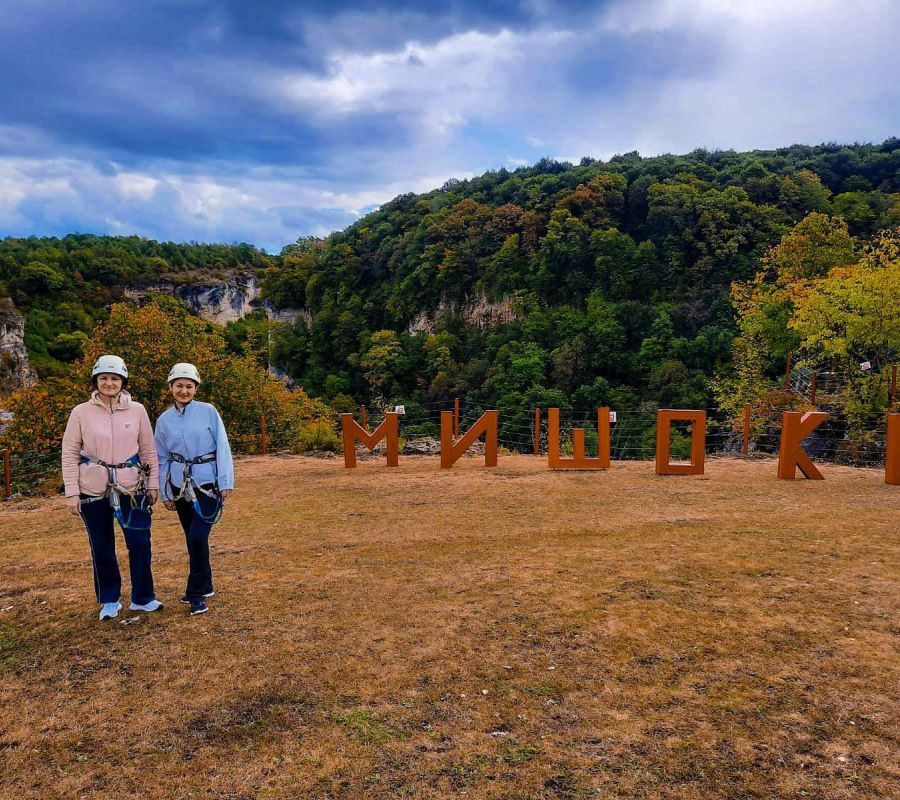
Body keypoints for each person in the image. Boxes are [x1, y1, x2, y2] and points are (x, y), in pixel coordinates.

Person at [61, 355, 162, 621]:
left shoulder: (137, 410)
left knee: (140, 542)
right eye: (104, 378)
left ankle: (143, 597)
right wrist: (72, 493)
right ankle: (109, 599)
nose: (109, 383)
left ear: (123, 382)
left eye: (114, 378)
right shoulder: (81, 412)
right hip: (92, 488)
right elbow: (69, 454)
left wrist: (152, 485)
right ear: (96, 381)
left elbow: (149, 451)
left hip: (132, 486)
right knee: (102, 546)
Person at [154, 363, 234, 616]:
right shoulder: (164, 420)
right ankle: (206, 583)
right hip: (180, 487)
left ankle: (195, 593)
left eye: (189, 386)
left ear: (196, 388)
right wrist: (165, 492)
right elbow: (161, 457)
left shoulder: (208, 412)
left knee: (198, 537)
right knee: (193, 539)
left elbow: (222, 444)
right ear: (170, 388)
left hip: (207, 484)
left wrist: (225, 481)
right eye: (179, 385)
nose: (184, 390)